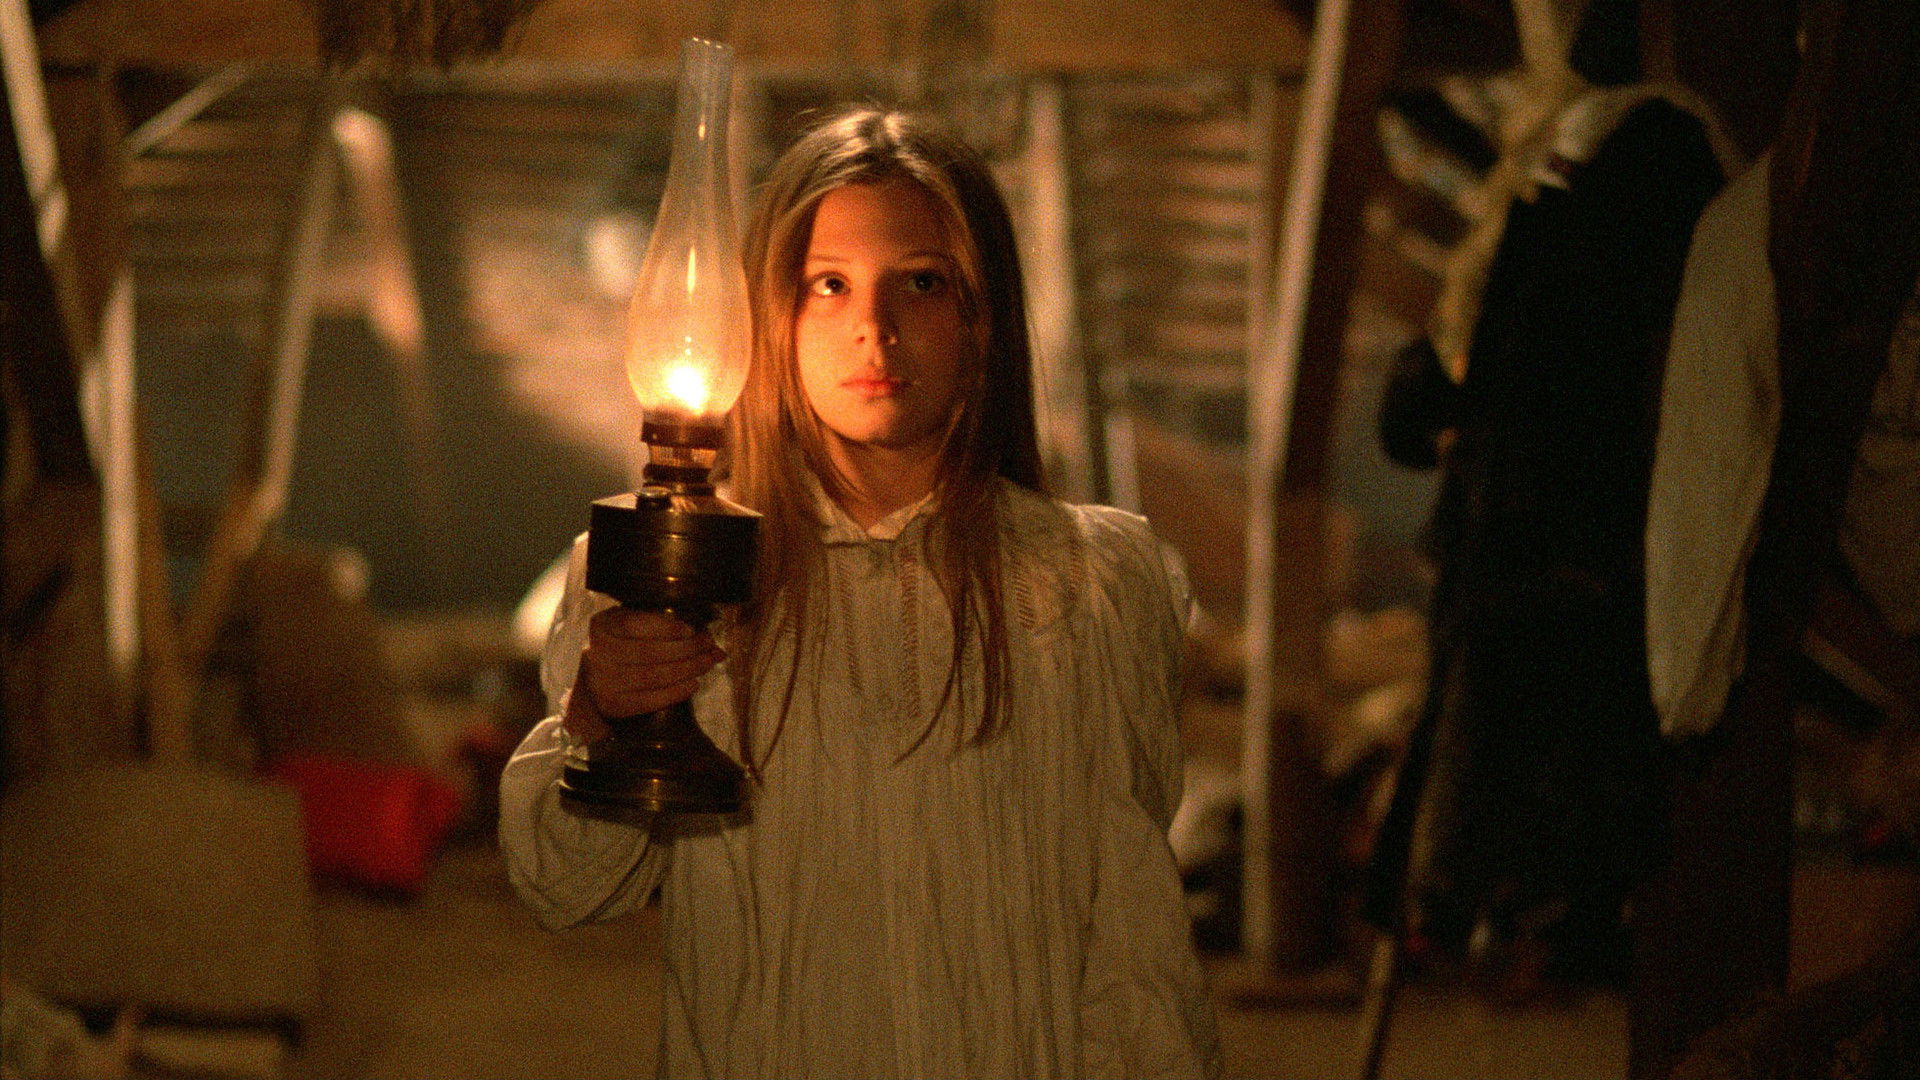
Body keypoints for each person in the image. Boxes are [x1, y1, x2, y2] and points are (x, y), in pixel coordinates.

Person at [498, 106, 1221, 1079]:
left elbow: (1134, 946)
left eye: (920, 283)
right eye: (828, 285)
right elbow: (567, 889)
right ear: (771, 317)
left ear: (981, 317)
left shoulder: (1096, 583)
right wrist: (600, 718)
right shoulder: (673, 582)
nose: (873, 330)